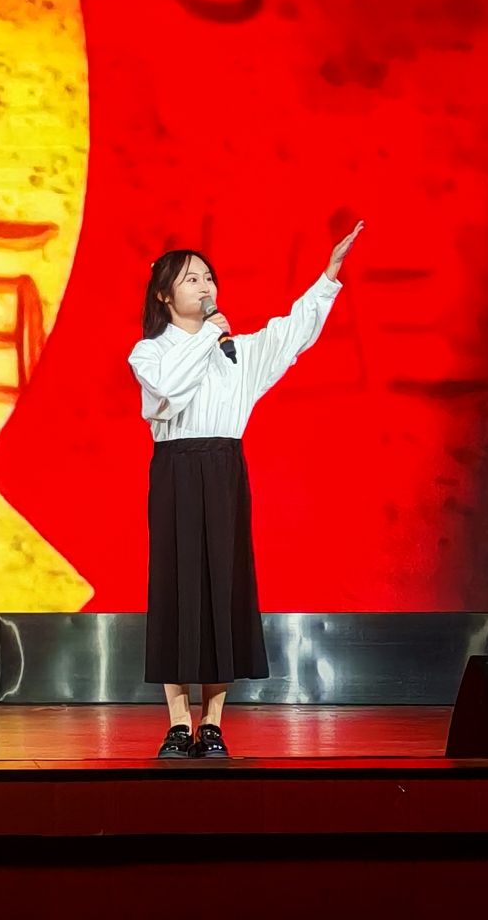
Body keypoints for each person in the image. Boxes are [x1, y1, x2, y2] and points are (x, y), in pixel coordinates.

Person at [128, 222, 362, 760]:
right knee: (177, 590)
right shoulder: (148, 353)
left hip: (225, 469)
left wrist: (328, 277)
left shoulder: (238, 352)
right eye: (191, 279)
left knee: (223, 588)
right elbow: (168, 390)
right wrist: (208, 337)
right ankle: (177, 722)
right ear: (164, 295)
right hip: (176, 471)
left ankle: (212, 722)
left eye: (208, 278)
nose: (205, 286)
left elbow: (292, 332)